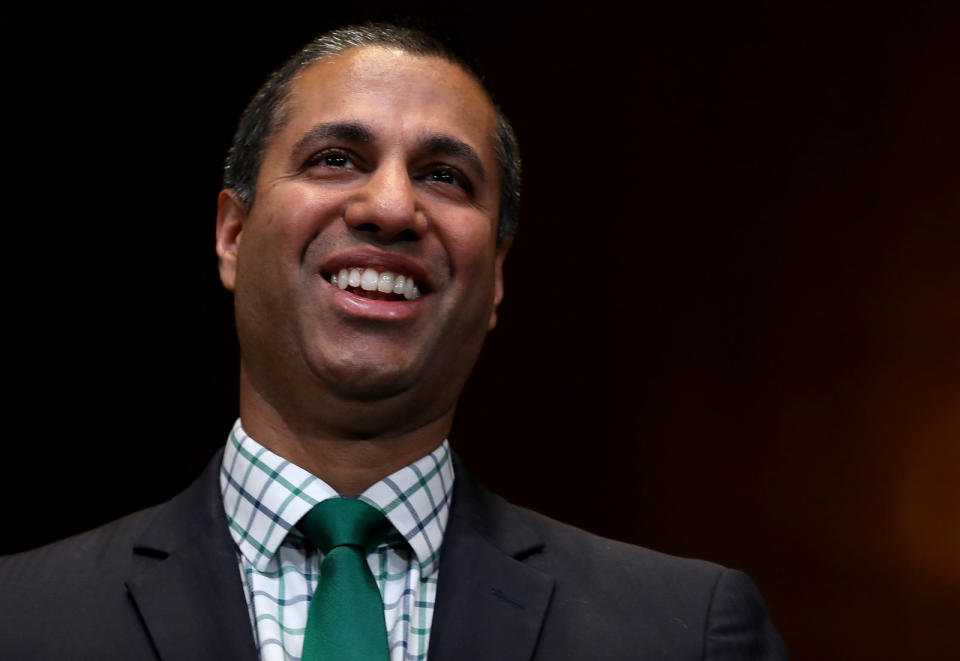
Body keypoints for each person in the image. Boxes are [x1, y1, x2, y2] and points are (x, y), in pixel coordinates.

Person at [0, 23, 787, 660]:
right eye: (336, 159)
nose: (390, 205)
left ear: (498, 278)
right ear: (232, 234)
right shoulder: (22, 619)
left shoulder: (685, 632)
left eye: (446, 176)